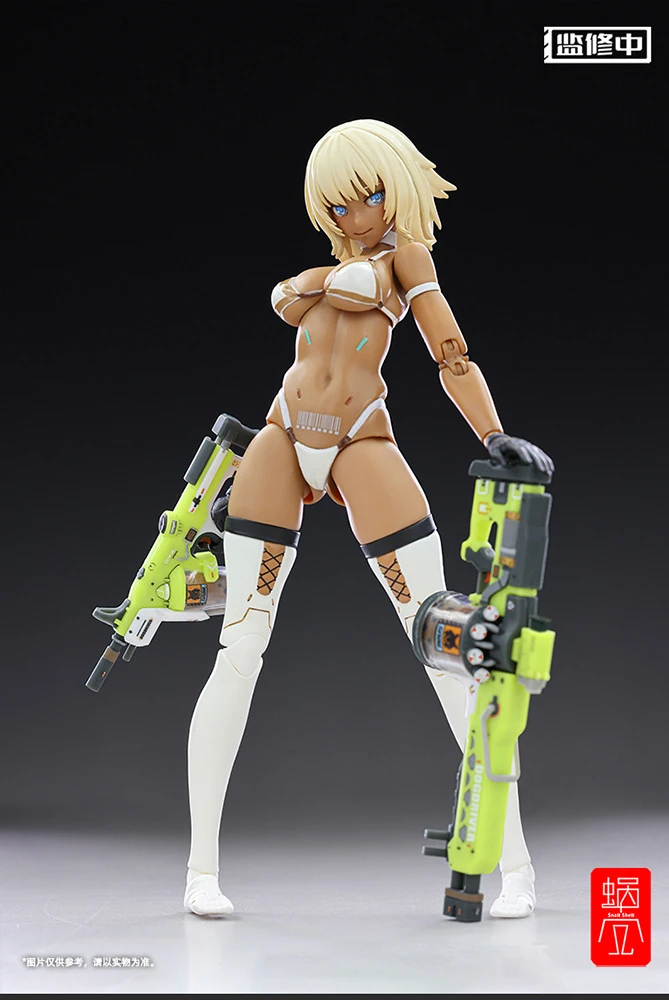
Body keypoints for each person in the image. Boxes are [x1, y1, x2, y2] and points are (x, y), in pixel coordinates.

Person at [184, 119, 553, 918]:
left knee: (449, 647)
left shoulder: (405, 260)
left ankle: (517, 866)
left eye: (370, 195)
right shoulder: (327, 272)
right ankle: (199, 870)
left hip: (358, 438)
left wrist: (492, 434)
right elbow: (296, 307)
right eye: (338, 203)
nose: (353, 214)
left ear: (396, 190)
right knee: (238, 647)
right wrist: (322, 280)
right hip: (281, 436)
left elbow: (450, 353)